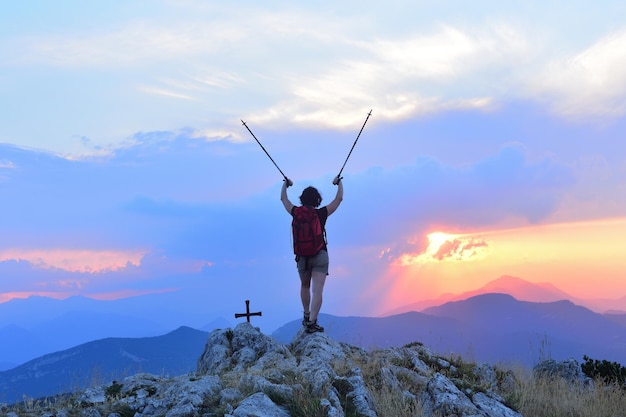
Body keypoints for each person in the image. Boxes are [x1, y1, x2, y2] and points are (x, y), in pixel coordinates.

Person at [281, 175, 343, 333]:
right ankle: (312, 322)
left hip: (302, 257)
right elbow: (338, 199)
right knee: (317, 289)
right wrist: (338, 182)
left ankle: (306, 315)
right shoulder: (321, 213)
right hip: (319, 255)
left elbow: (283, 199)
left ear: (302, 199)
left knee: (304, 285)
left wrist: (286, 185)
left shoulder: (295, 212)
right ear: (317, 200)